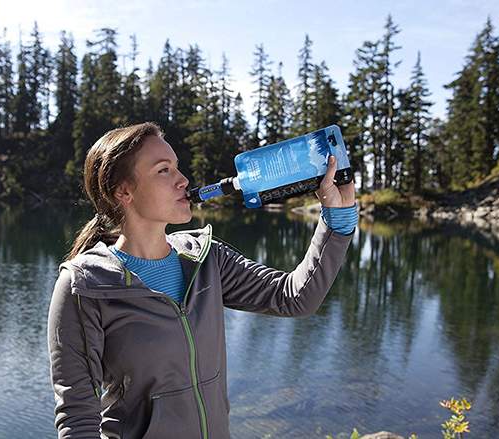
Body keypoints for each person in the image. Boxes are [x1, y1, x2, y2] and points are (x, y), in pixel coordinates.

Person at [47, 122, 357, 439]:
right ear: (123, 191)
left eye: (177, 167)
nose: (183, 180)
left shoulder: (206, 258)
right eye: (163, 170)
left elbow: (295, 298)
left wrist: (338, 215)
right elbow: (78, 421)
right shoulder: (85, 286)